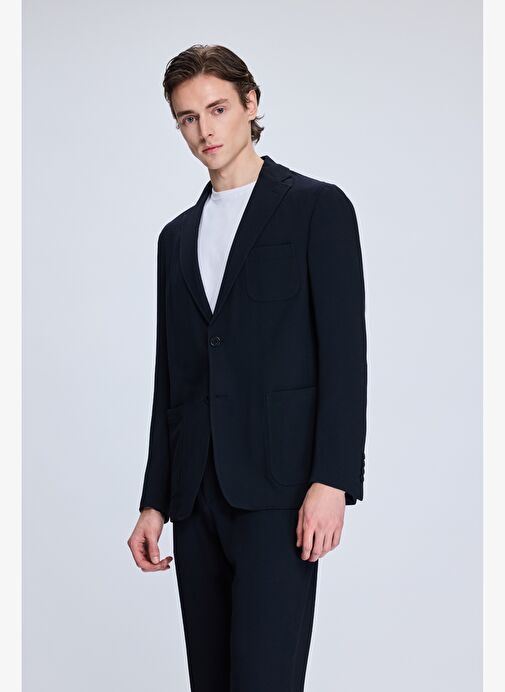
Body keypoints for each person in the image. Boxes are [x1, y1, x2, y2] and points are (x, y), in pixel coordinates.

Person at [127, 43, 367, 692]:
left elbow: (345, 356)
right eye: (186, 118)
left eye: (217, 109)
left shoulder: (316, 208)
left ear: (250, 103)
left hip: (280, 493)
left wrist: (331, 480)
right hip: (196, 495)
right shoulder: (176, 238)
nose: (203, 130)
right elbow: (172, 378)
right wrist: (154, 501)